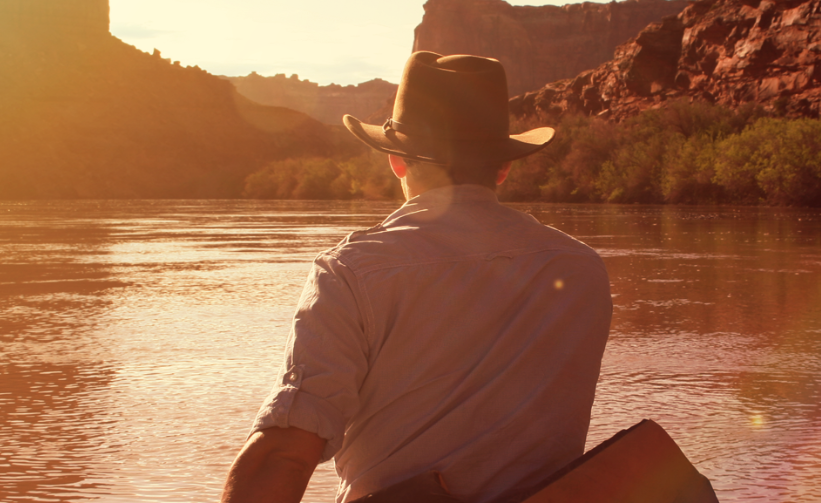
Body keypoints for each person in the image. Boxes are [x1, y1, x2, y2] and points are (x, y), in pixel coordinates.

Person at [220, 52, 612, 503]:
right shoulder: (582, 268)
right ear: (503, 166)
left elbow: (283, 456)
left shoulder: (351, 272)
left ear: (396, 161)